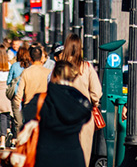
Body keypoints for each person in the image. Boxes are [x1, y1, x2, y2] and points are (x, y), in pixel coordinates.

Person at [22, 61, 91, 167]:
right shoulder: (81, 102)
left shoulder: (42, 99)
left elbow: (27, 117)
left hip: (45, 155)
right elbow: (87, 117)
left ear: (55, 75)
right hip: (73, 156)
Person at [58, 34, 102, 166]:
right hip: (84, 114)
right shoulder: (86, 67)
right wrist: (94, 102)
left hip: (63, 114)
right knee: (84, 152)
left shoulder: (59, 68)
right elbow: (96, 92)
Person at [7, 42, 32, 136]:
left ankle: (17, 138)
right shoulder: (30, 66)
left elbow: (8, 81)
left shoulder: (14, 66)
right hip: (27, 94)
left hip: (16, 94)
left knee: (17, 119)